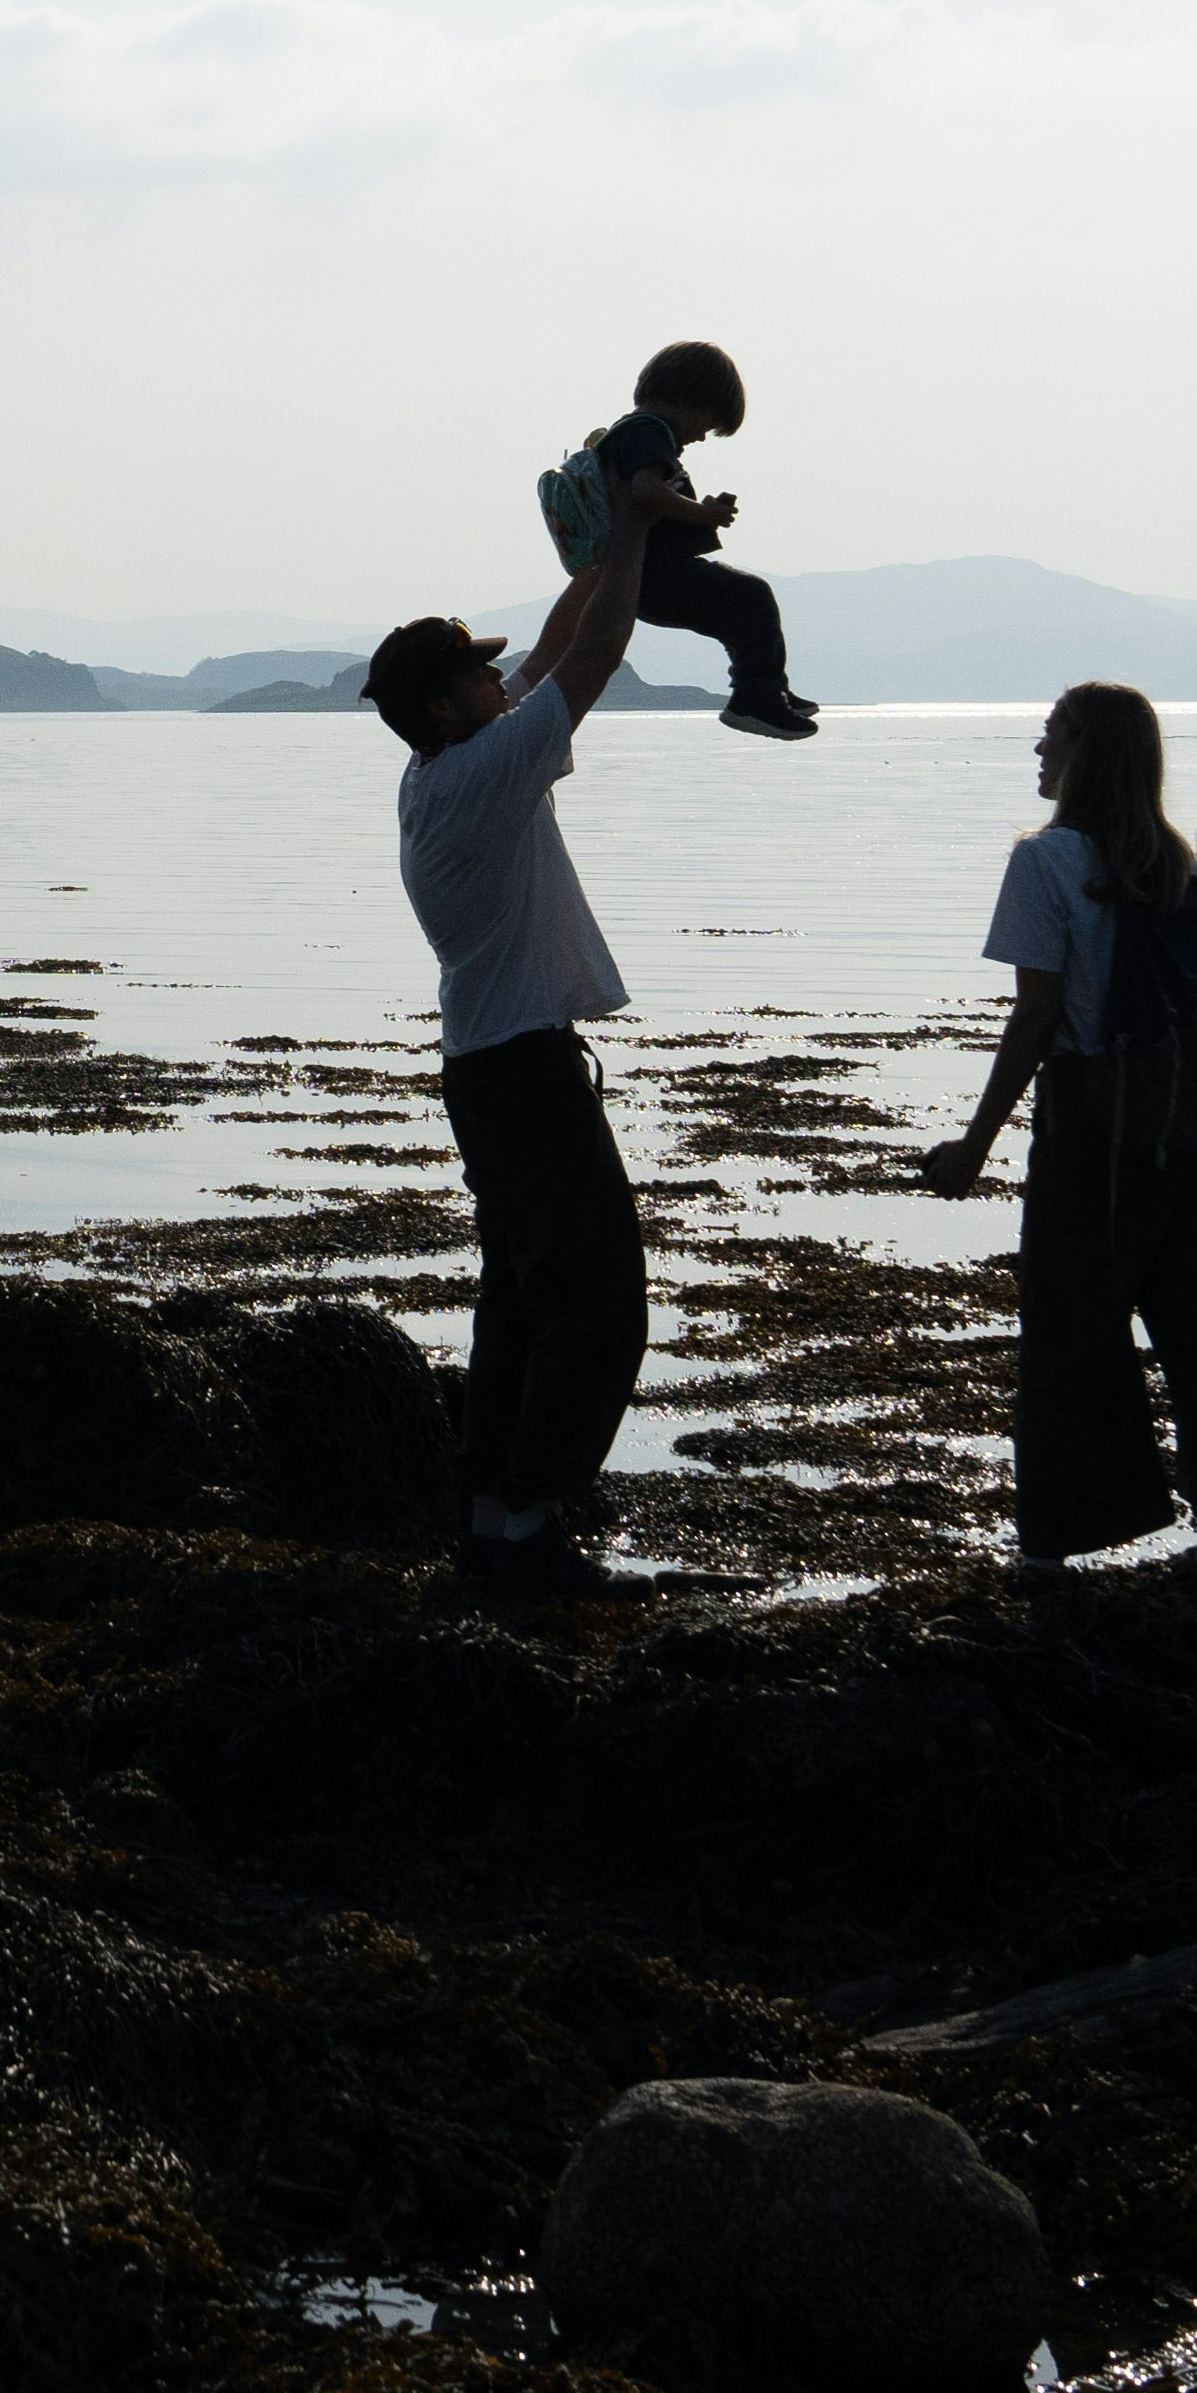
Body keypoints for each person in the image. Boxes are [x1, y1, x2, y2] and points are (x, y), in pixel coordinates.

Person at [361, 471, 691, 1595]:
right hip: (518, 1071)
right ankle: (534, 1517)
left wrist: (597, 555)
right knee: (601, 1306)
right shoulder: (476, 775)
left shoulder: (440, 767)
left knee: (516, 1301)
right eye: (474, 670)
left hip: (488, 1065)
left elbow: (554, 653)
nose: (498, 679)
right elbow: (591, 663)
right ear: (448, 706)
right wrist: (639, 531)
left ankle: (494, 1514)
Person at [914, 681, 1197, 1564]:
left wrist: (975, 1142)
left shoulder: (1047, 860)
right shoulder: (1185, 866)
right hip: (1192, 1127)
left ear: (1085, 754)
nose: (1038, 751)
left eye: (1050, 737)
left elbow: (1038, 1017)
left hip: (1092, 1124)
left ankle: (1050, 1552)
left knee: (1070, 1331)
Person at [535, 339, 819, 742]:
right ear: (688, 399)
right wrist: (706, 514)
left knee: (742, 611)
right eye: (706, 424)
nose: (701, 438)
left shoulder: (631, 432)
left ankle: (765, 689)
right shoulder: (648, 431)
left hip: (650, 575)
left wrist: (700, 509)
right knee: (752, 597)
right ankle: (755, 698)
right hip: (654, 574)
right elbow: (646, 492)